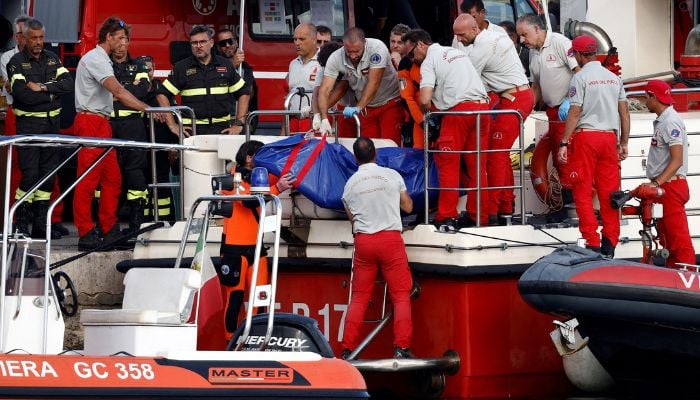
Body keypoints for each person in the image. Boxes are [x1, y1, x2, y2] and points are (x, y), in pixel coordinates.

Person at [73, 16, 150, 251]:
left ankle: (109, 229)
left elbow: (117, 92)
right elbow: (117, 89)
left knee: (113, 179)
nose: (124, 44)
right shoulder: (96, 59)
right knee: (88, 180)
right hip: (90, 122)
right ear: (108, 37)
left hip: (101, 122)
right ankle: (85, 232)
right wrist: (149, 109)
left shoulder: (102, 59)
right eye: (120, 39)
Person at [453, 14, 534, 225]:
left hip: (514, 98)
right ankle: (505, 205)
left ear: (473, 29)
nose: (459, 40)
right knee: (500, 154)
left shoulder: (481, 48)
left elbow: (466, 78)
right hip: (514, 96)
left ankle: (492, 211)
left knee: (495, 155)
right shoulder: (495, 37)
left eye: (461, 35)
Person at [406, 28, 491, 228]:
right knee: (477, 167)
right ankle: (480, 216)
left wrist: (431, 117)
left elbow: (425, 99)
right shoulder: (457, 52)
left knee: (448, 165)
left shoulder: (429, 61)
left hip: (458, 112)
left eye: (411, 54)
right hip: (482, 109)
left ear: (420, 45)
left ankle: (446, 216)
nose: (411, 59)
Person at [340, 137, 414, 360]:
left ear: (355, 158)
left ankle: (347, 349)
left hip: (364, 243)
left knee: (359, 298)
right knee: (401, 296)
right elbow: (408, 206)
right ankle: (401, 348)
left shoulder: (349, 185)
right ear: (376, 154)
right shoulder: (392, 176)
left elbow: (353, 220)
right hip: (390, 240)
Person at [557, 35, 629, 258]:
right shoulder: (613, 78)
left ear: (578, 54)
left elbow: (574, 112)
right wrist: (624, 142)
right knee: (610, 194)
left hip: (586, 138)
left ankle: (592, 242)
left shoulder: (580, 78)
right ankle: (610, 243)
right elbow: (624, 114)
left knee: (582, 190)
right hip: (609, 139)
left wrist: (564, 141)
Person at [219, 140, 295, 342]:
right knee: (235, 299)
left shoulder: (260, 176)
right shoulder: (231, 181)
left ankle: (255, 339)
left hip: (257, 249)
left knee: (261, 300)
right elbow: (248, 200)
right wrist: (277, 188)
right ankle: (230, 341)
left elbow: (283, 171)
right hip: (234, 251)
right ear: (249, 157)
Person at [6, 18, 73, 238]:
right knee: (30, 175)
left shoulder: (52, 58)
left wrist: (42, 88)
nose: (38, 42)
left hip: (52, 127)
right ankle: (21, 222)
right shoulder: (15, 62)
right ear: (24, 38)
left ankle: (40, 224)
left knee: (48, 175)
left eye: (41, 37)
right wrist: (52, 94)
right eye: (33, 38)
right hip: (29, 127)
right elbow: (22, 95)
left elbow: (68, 85)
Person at [517, 13, 579, 222]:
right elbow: (536, 87)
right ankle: (562, 208)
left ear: (537, 29)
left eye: (524, 35)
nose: (522, 40)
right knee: (557, 155)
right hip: (553, 112)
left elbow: (579, 73)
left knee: (564, 159)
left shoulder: (560, 43)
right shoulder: (534, 54)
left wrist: (572, 100)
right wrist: (526, 111)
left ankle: (568, 209)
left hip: (568, 110)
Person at [639, 80, 696, 267]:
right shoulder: (666, 120)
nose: (645, 101)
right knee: (667, 239)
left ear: (654, 97)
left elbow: (677, 159)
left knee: (678, 239)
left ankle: (688, 279)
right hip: (666, 186)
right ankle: (676, 276)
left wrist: (656, 184)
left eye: (646, 97)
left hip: (669, 186)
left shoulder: (670, 122)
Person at [158, 25, 250, 136]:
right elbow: (162, 94)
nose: (198, 46)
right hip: (192, 132)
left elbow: (244, 92)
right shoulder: (181, 68)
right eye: (194, 43)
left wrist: (239, 124)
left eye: (202, 42)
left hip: (222, 130)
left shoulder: (225, 65)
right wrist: (173, 125)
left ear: (211, 43)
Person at [318, 27, 403, 144]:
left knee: (390, 144)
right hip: (366, 108)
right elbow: (324, 89)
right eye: (349, 52)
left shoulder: (377, 48)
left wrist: (358, 107)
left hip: (389, 102)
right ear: (343, 45)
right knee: (367, 146)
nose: (353, 56)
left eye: (356, 51)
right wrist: (323, 117)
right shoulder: (336, 57)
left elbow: (374, 82)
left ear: (364, 43)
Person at [110, 34, 151, 234]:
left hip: (133, 125)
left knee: (134, 172)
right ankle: (108, 222)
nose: (120, 44)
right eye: (116, 40)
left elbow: (142, 91)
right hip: (108, 124)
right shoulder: (104, 65)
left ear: (128, 42)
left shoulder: (139, 66)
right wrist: (128, 90)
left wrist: (118, 93)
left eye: (123, 40)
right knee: (108, 173)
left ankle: (136, 222)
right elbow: (100, 91)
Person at [140, 55, 176, 222]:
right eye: (143, 70)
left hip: (161, 145)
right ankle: (145, 220)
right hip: (141, 144)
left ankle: (164, 220)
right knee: (141, 184)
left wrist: (173, 146)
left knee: (161, 182)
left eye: (150, 69)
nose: (147, 73)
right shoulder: (134, 91)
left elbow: (173, 118)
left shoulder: (161, 90)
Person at [216, 28, 258, 132]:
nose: (227, 45)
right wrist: (232, 65)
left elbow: (249, 93)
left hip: (241, 122)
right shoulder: (213, 67)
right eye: (222, 43)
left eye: (230, 41)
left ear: (236, 42)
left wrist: (236, 68)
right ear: (218, 47)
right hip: (220, 122)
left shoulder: (245, 68)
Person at [284, 23, 320, 134]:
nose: (297, 43)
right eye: (295, 39)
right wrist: (283, 130)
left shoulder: (324, 62)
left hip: (315, 122)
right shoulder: (293, 64)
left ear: (314, 39)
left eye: (302, 39)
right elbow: (288, 100)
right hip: (293, 123)